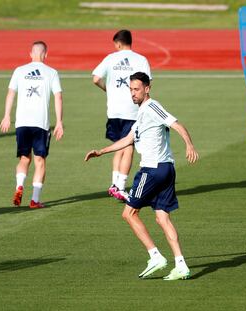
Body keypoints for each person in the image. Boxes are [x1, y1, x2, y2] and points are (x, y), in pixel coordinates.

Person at [85, 72, 199, 280]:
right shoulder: (141, 114)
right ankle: (181, 264)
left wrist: (189, 144)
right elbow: (128, 139)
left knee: (129, 214)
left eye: (136, 89)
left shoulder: (153, 107)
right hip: (165, 170)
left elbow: (177, 125)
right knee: (162, 217)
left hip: (152, 170)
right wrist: (101, 151)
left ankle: (155, 256)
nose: (133, 93)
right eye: (130, 89)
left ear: (147, 88)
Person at [0, 41, 64, 209]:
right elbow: (58, 97)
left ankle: (19, 186)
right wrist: (59, 122)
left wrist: (6, 116)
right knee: (40, 161)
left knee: (24, 158)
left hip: (22, 122)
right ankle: (35, 200)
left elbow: (10, 93)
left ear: (30, 54)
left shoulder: (19, 71)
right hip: (40, 123)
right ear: (46, 54)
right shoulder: (51, 72)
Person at [92, 29, 152, 201]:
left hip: (113, 111)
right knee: (129, 147)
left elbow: (96, 78)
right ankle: (120, 186)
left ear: (118, 43)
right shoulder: (141, 59)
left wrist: (108, 90)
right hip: (132, 110)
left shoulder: (110, 58)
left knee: (118, 146)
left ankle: (114, 184)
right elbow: (148, 84)